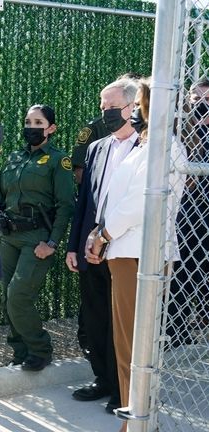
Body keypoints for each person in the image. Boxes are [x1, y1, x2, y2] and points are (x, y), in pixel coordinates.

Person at [85, 79, 185, 432]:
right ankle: (137, 418)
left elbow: (140, 202)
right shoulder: (145, 147)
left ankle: (138, 421)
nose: (134, 113)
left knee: (133, 347)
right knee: (127, 344)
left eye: (139, 105)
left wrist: (104, 235)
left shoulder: (164, 147)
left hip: (139, 255)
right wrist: (100, 234)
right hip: (126, 252)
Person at [66, 78, 141, 414]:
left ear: (132, 106)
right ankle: (103, 379)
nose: (105, 112)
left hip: (124, 247)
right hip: (91, 249)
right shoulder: (97, 148)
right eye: (102, 106)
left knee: (121, 322)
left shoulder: (145, 147)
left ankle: (123, 387)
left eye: (111, 106)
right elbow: (83, 202)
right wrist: (74, 245)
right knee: (95, 316)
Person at [0, 104, 75, 372]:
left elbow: (66, 206)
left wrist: (52, 243)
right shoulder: (14, 158)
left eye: (38, 123)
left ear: (51, 128)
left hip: (37, 239)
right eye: (28, 122)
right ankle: (20, 351)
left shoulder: (57, 160)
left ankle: (40, 350)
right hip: (9, 237)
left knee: (18, 296)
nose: (31, 127)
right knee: (7, 297)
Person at [167, 78, 209, 347]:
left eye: (207, 101)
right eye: (196, 99)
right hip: (184, 217)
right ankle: (175, 335)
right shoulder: (184, 134)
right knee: (178, 277)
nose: (201, 105)